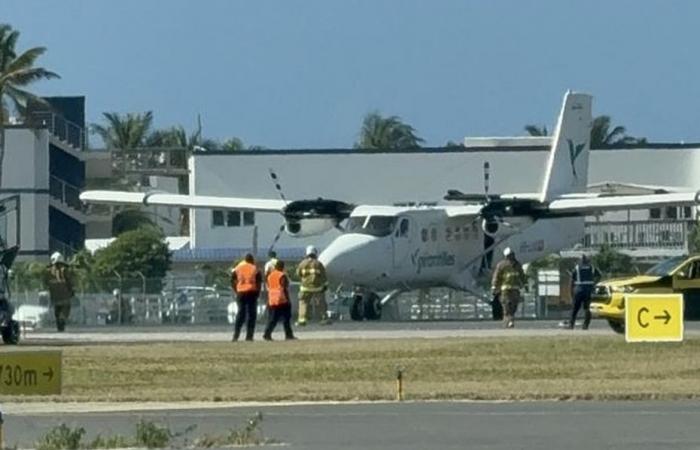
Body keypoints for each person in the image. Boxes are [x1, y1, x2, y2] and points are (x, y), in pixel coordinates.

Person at [491, 247, 526, 328]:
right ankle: (509, 322)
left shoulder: (517, 265)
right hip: (505, 290)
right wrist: (494, 286)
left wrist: (525, 285)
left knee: (514, 306)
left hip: (515, 289)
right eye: (510, 255)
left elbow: (522, 275)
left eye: (512, 255)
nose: (511, 257)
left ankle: (509, 321)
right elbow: (496, 276)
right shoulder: (501, 265)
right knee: (506, 306)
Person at [231, 253, 262, 341]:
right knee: (251, 315)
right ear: (252, 260)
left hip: (240, 292)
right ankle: (249, 336)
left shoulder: (238, 268)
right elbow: (259, 282)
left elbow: (232, 280)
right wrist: (258, 293)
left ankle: (236, 335)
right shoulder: (255, 268)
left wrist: (236, 290)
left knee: (241, 313)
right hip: (252, 292)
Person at [263, 260, 296, 341]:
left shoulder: (270, 275)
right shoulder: (282, 275)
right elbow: (284, 287)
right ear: (282, 267)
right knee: (286, 318)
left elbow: (268, 285)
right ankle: (288, 335)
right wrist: (288, 299)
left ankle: (267, 333)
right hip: (281, 299)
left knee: (273, 319)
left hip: (272, 298)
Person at [296, 245, 329, 325]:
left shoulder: (302, 264)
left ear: (307, 254)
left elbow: (298, 274)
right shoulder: (318, 264)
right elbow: (323, 276)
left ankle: (302, 320)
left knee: (303, 303)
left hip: (305, 287)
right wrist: (325, 286)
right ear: (315, 254)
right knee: (321, 304)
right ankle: (323, 319)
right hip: (317, 287)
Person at [569, 254, 601, 330]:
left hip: (579, 289)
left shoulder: (576, 268)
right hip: (589, 290)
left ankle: (571, 325)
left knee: (575, 308)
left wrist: (571, 292)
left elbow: (572, 281)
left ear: (581, 261)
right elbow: (599, 275)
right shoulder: (592, 268)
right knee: (587, 308)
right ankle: (585, 325)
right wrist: (594, 283)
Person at [45, 252, 74, 332]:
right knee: (65, 309)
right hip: (64, 295)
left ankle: (59, 325)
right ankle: (62, 320)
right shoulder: (64, 270)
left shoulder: (49, 271)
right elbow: (69, 282)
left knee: (57, 310)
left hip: (54, 296)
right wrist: (71, 290)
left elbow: (46, 282)